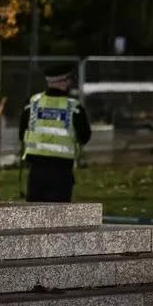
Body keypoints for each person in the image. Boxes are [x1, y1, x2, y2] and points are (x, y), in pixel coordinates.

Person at [17, 63, 91, 202]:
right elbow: (85, 137)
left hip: (36, 171)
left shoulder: (33, 103)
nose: (70, 83)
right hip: (61, 172)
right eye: (68, 80)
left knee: (34, 216)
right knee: (58, 216)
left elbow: (22, 134)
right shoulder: (74, 107)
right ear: (63, 82)